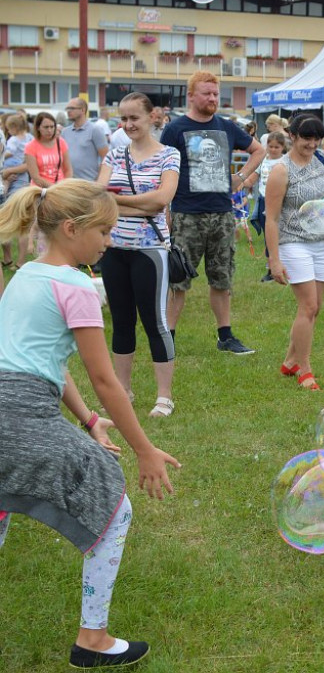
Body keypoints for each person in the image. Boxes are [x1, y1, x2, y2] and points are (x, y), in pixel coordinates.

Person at [0, 179, 180, 668]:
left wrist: (88, 421)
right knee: (113, 509)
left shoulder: (25, 275)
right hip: (20, 413)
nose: (108, 242)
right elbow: (104, 378)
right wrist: (144, 449)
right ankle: (93, 639)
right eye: (103, 231)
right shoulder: (76, 285)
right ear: (72, 228)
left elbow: (44, 363)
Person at [161, 71, 265, 354]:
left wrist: (241, 177)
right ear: (191, 96)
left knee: (222, 278)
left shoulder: (227, 127)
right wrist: (166, 214)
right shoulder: (175, 130)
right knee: (178, 279)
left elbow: (259, 150)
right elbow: (163, 171)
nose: (212, 98)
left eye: (216, 94)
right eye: (206, 93)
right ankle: (167, 336)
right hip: (186, 215)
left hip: (221, 214)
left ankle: (225, 336)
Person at [95, 92, 181, 418]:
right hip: (114, 248)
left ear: (152, 117)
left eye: (135, 118)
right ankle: (123, 391)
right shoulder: (115, 155)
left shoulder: (168, 154)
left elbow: (162, 199)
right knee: (121, 321)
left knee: (155, 321)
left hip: (150, 250)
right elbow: (99, 197)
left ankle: (164, 397)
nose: (129, 124)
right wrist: (137, 200)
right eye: (124, 119)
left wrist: (121, 201)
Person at [265, 114, 324, 391]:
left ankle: (290, 360)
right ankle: (304, 369)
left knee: (315, 307)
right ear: (292, 137)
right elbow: (270, 218)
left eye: (316, 138)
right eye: (307, 138)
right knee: (307, 306)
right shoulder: (281, 171)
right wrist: (274, 260)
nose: (312, 143)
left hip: (322, 241)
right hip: (293, 241)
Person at [251, 131, 288, 283]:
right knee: (268, 236)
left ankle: (284, 265)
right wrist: (240, 183)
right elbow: (253, 178)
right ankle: (270, 268)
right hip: (262, 200)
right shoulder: (262, 161)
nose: (273, 149)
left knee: (280, 236)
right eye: (270, 146)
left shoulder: (285, 163)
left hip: (279, 202)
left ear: (283, 147)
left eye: (276, 147)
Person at [1, 114, 32, 268]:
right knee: (22, 219)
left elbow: (9, 152)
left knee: (8, 212)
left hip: (11, 171)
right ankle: (20, 260)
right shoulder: (30, 137)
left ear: (13, 128)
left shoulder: (12, 140)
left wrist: (3, 156)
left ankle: (15, 260)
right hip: (24, 177)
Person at [63, 98, 109, 182]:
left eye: (72, 108)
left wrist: (99, 179)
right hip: (68, 183)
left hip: (88, 183)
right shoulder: (65, 132)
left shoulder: (95, 130)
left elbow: (106, 158)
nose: (68, 111)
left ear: (83, 110)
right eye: (67, 109)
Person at [26, 112, 72, 188]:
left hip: (61, 187)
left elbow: (68, 169)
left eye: (52, 127)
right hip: (40, 190)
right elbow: (36, 177)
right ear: (38, 127)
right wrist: (54, 188)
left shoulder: (61, 142)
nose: (49, 130)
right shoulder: (30, 146)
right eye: (46, 127)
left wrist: (65, 186)